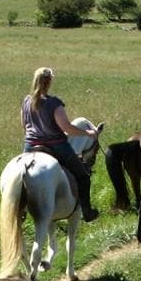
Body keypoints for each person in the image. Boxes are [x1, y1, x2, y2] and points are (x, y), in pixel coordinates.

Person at [21, 67, 100, 222]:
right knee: (83, 176)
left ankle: (21, 210)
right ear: (49, 81)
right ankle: (87, 211)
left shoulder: (26, 101)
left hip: (30, 146)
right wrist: (88, 133)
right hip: (55, 146)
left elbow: (25, 126)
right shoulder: (54, 103)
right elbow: (67, 128)